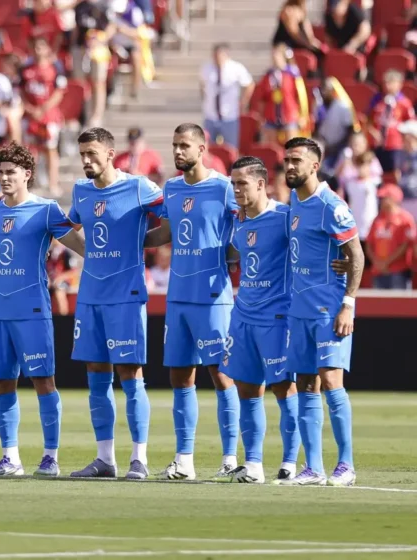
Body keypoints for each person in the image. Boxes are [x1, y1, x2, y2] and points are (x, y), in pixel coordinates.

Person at [0, 142, 86, 477]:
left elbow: (80, 246)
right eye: (0, 172)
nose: (4, 178)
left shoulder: (46, 210)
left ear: (27, 174)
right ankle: (10, 458)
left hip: (32, 310)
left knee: (43, 381)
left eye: (10, 172)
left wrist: (113, 247)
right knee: (2, 383)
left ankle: (50, 457)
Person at [67, 126, 163, 481]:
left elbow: (173, 219)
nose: (86, 160)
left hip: (125, 296)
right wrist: (87, 251)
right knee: (96, 376)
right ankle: (105, 459)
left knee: (130, 375)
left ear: (110, 154)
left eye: (92, 153)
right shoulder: (81, 191)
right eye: (82, 154)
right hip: (90, 295)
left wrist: (140, 241)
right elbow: (67, 227)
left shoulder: (139, 187)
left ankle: (139, 458)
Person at [145, 123, 240, 481]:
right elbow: (167, 232)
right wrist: (130, 240)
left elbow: (248, 225)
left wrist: (235, 254)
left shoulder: (223, 188)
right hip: (178, 297)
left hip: (213, 298)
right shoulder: (171, 188)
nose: (177, 151)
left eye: (184, 145)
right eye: (174, 145)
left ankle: (230, 458)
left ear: (202, 149)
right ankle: (184, 459)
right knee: (180, 377)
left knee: (222, 375)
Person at [283, 137, 364, 487]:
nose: (289, 166)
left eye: (296, 161)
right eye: (287, 160)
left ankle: (346, 465)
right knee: (305, 383)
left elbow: (356, 255)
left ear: (314, 166)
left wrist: (348, 305)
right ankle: (313, 467)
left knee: (331, 380)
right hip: (299, 308)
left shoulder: (331, 205)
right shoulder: (294, 200)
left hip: (328, 308)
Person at [220, 156, 301, 484]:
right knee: (247, 389)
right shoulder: (239, 222)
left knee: (284, 387)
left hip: (277, 317)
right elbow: (238, 254)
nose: (237, 189)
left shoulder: (284, 217)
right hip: (243, 315)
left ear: (261, 184)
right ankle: (253, 464)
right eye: (233, 183)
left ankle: (290, 463)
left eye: (242, 183)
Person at [20, 36, 66, 196]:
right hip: (30, 116)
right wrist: (30, 108)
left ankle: (53, 184)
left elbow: (59, 92)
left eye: (41, 47)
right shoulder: (26, 68)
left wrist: (43, 109)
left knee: (50, 149)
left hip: (49, 116)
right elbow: (21, 90)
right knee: (31, 150)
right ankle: (32, 183)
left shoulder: (56, 67)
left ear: (47, 49)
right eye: (35, 47)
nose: (38, 50)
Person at [200, 43, 254, 149]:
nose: (217, 59)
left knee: (231, 148)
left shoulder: (236, 68)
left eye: (220, 55)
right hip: (211, 116)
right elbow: (202, 85)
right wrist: (205, 99)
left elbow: (249, 84)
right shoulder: (206, 68)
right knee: (208, 148)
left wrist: (243, 102)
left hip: (229, 116)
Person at [367, 184, 415, 290]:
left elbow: (405, 245)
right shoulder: (378, 219)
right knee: (378, 300)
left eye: (385, 198)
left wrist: (386, 262)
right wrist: (376, 262)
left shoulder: (405, 219)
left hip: (398, 271)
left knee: (399, 300)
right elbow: (369, 243)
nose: (382, 201)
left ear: (394, 199)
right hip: (378, 271)